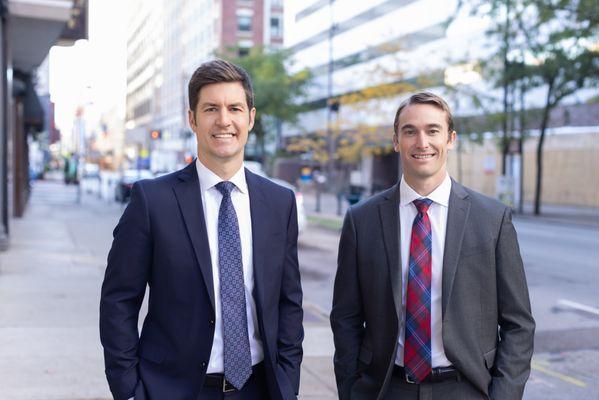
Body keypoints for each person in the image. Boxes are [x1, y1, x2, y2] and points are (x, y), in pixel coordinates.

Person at [100, 59, 303, 400]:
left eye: (234, 108)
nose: (224, 120)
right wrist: (129, 391)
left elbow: (288, 301)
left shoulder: (279, 202)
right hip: (172, 389)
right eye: (211, 109)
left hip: (259, 389)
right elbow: (118, 301)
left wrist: (287, 381)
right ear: (192, 119)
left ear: (250, 118)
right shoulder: (152, 201)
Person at [330, 92, 534, 400]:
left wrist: (504, 394)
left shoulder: (492, 219)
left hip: (466, 388)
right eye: (410, 131)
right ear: (396, 141)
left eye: (433, 130)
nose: (421, 142)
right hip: (386, 389)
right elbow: (345, 316)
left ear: (450, 139)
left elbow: (518, 323)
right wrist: (350, 389)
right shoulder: (362, 220)